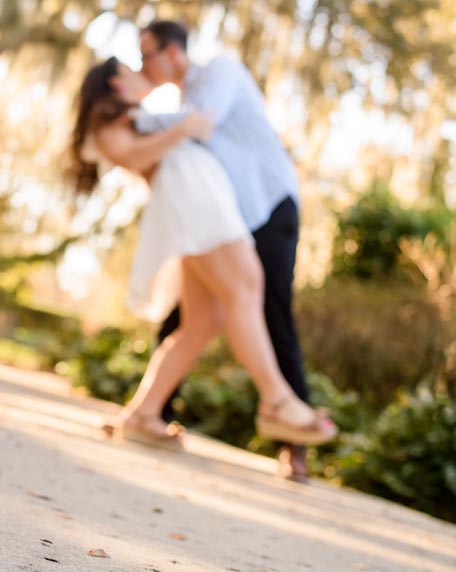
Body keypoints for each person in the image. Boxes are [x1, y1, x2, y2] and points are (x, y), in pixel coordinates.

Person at [70, 57, 337, 448]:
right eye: (133, 70)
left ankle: (144, 413)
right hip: (193, 202)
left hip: (201, 199)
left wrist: (181, 126)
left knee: (205, 319)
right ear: (117, 84)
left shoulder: (142, 116)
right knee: (245, 288)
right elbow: (129, 156)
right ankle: (277, 401)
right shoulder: (109, 121)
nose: (143, 75)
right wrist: (184, 129)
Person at [126, 20, 315, 478]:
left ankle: (295, 443)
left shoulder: (218, 73)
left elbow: (200, 124)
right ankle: (148, 414)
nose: (142, 65)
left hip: (267, 208)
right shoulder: (181, 102)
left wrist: (125, 116)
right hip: (224, 222)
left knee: (272, 310)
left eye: (146, 55)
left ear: (173, 53)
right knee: (185, 315)